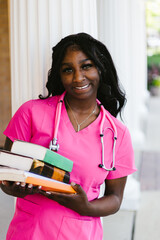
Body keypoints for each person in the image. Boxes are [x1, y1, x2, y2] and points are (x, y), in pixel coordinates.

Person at [0, 32, 136, 240]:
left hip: (81, 233)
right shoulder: (31, 113)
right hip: (30, 231)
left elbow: (115, 199)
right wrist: (15, 189)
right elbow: (5, 173)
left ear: (101, 68)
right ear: (59, 75)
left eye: (86, 66)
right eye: (68, 70)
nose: (78, 77)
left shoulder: (117, 134)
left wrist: (86, 207)